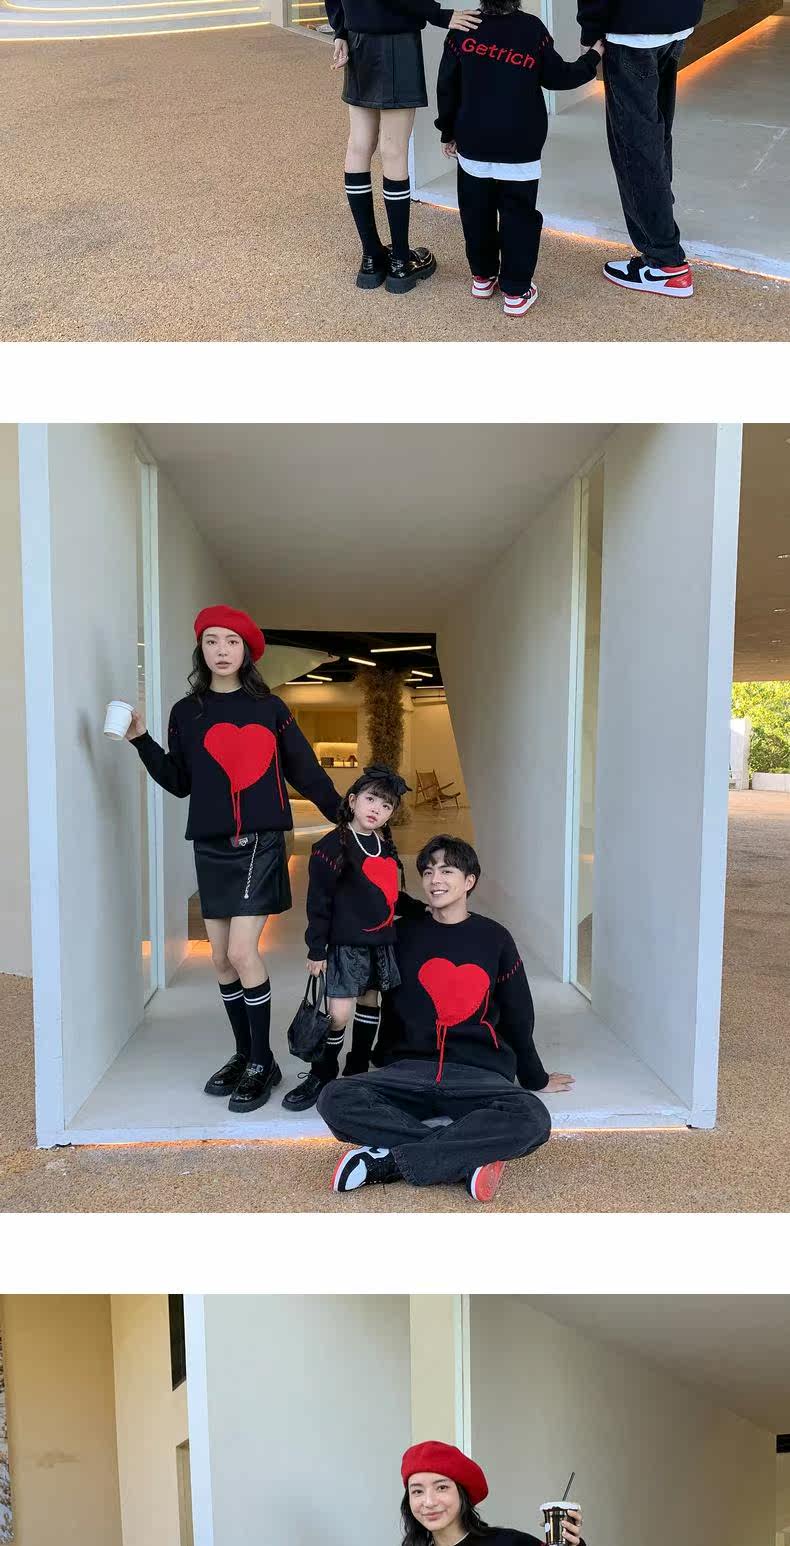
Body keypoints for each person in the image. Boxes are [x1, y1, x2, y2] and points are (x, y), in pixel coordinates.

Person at [124, 605, 340, 1114]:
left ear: (247, 651)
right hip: (210, 845)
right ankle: (245, 1054)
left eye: (231, 641)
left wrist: (344, 814)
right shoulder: (186, 712)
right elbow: (180, 782)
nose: (221, 650)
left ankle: (263, 1062)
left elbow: (305, 770)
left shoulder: (271, 709)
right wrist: (141, 741)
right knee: (220, 959)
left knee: (243, 953)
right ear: (201, 649)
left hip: (259, 842)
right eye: (212, 641)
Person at [317, 835, 574, 1202]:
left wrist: (535, 1076)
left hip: (476, 1074)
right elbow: (367, 990)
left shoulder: (495, 938)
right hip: (407, 1071)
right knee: (335, 1098)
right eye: (428, 871)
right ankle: (463, 1158)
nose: (435, 879)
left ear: (469, 881)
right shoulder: (400, 934)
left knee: (533, 1118)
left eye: (447, 871)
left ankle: (389, 1160)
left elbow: (518, 1015)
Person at [435, 0, 602, 316]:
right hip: (520, 143)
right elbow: (559, 77)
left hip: (474, 141)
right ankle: (515, 290)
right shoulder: (531, 29)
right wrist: (593, 57)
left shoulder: (463, 28)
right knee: (519, 216)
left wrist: (447, 131)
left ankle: (483, 277)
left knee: (476, 212)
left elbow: (447, 86)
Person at [324, 0, 481, 293]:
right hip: (397, 41)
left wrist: (341, 31)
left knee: (358, 145)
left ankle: (371, 258)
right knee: (393, 150)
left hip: (357, 36)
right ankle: (399, 262)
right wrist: (440, 14)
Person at [282, 763, 411, 1112]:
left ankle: (357, 1067)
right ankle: (323, 1073)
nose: (376, 809)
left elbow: (390, 896)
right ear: (353, 800)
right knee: (338, 1014)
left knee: (371, 1003)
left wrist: (421, 909)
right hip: (345, 945)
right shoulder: (332, 846)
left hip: (380, 944)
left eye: (386, 805)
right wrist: (316, 948)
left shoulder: (384, 846)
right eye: (371, 799)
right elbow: (318, 902)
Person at [577, 0, 702, 297]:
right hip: (678, 22)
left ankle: (664, 262)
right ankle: (660, 225)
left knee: (636, 147)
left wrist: (590, 31)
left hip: (632, 30)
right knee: (655, 136)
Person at [400, 1441, 586, 1545]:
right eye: (417, 1491)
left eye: (441, 1487)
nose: (429, 1502)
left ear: (462, 1493)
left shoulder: (510, 1543)